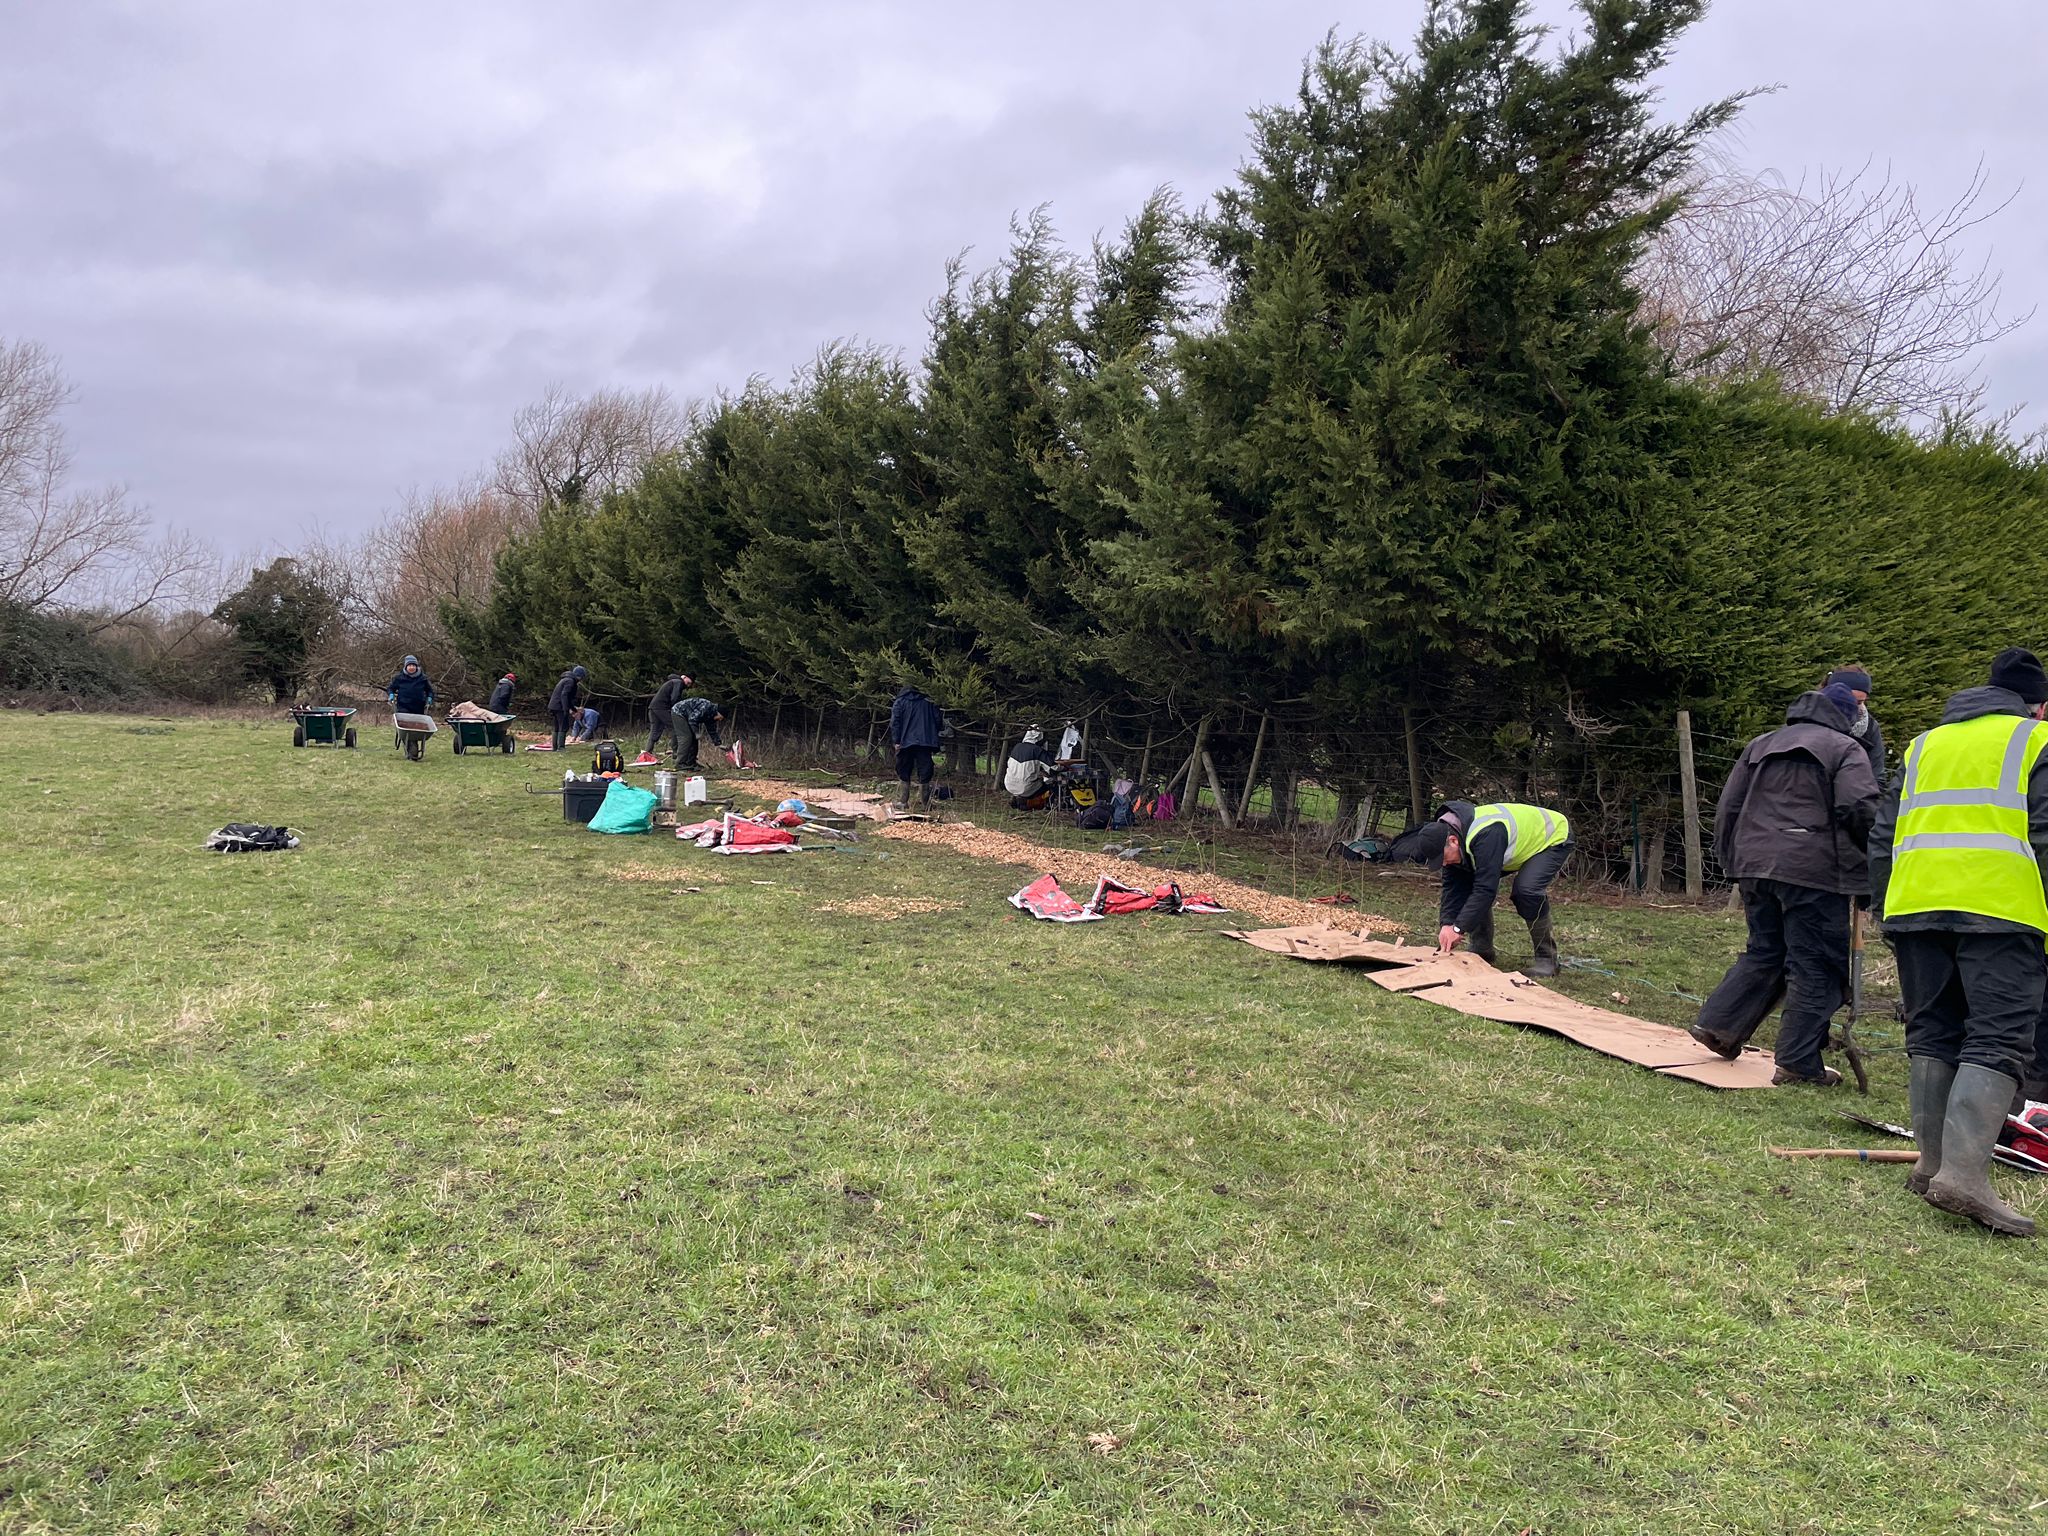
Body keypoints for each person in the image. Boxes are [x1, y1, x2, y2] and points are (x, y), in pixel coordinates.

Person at [1870, 647, 2048, 1237]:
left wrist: (1883, 908)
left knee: (1933, 1028)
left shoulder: (1925, 744)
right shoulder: (2036, 743)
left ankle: (1933, 1165)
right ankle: (1965, 1177)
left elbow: (1884, 831)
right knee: (1998, 1036)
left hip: (1916, 905)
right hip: (2002, 910)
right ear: (2038, 705)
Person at [1687, 681, 1880, 1084]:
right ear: (1847, 717)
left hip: (1755, 862)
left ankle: (1719, 1027)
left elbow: (1730, 805)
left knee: (1766, 951)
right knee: (1816, 966)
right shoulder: (1847, 750)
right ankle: (1798, 1063)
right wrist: (1873, 869)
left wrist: (1733, 860)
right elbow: (1859, 809)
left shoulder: (1761, 744)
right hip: (1815, 871)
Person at [1405, 800, 1573, 976]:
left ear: (1453, 841)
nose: (1444, 863)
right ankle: (1482, 950)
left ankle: (1547, 960)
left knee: (1526, 891)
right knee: (1468, 882)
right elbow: (1452, 888)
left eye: (1444, 858)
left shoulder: (1486, 834)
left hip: (1552, 838)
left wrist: (1458, 929)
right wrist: (1447, 923)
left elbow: (1486, 889)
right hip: (1511, 846)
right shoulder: (1452, 836)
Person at [889, 682, 944, 811]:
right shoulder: (929, 701)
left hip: (905, 742)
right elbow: (937, 719)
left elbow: (895, 722)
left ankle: (903, 801)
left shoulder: (900, 701)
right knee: (925, 770)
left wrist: (896, 741)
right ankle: (925, 803)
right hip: (925, 741)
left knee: (903, 769)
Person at [1827, 664, 1886, 783]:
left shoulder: (1870, 727)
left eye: (1860, 702)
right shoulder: (1809, 723)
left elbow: (1877, 775)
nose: (1854, 707)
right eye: (1849, 700)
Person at [639, 672, 694, 764]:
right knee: (675, 728)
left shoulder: (672, 681)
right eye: (690, 681)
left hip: (653, 707)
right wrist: (677, 710)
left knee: (655, 731)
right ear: (684, 677)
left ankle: (646, 755)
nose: (690, 684)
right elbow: (674, 698)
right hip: (662, 708)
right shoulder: (678, 682)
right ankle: (676, 754)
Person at [1004, 726, 1055, 807]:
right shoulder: (1036, 750)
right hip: (1025, 788)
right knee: (1049, 783)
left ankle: (1018, 800)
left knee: (1030, 780)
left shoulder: (1017, 747)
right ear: (1039, 738)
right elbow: (1052, 767)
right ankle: (1046, 804)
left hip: (1009, 785)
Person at [669, 695, 723, 769]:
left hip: (687, 715)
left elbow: (712, 730)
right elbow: (692, 719)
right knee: (686, 737)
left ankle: (691, 762)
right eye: (720, 717)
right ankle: (680, 763)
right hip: (678, 712)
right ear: (718, 713)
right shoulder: (706, 707)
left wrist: (718, 743)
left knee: (694, 739)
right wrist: (696, 733)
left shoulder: (711, 716)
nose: (720, 720)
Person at [547, 665, 587, 751]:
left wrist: (573, 709)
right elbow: (564, 695)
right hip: (559, 706)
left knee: (557, 726)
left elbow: (568, 699)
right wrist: (565, 709)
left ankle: (555, 747)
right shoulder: (570, 681)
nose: (581, 680)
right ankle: (561, 747)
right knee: (563, 726)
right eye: (582, 677)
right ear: (579, 676)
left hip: (553, 705)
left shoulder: (565, 679)